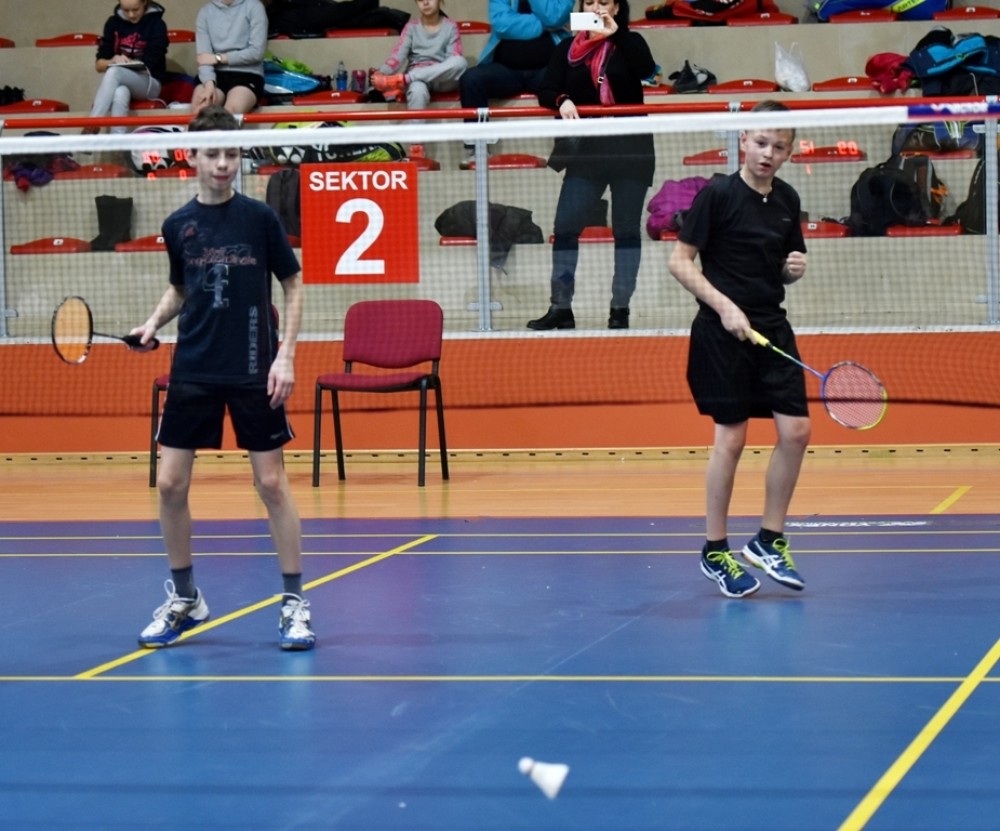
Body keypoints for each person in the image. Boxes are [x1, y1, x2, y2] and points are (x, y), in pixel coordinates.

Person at [131, 105, 314, 651]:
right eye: (213, 153)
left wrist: (286, 356)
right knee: (169, 484)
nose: (223, 164)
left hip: (255, 366)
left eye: (231, 154)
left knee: (271, 484)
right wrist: (152, 323)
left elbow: (294, 284)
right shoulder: (177, 225)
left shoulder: (259, 219)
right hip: (194, 366)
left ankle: (294, 603)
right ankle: (186, 599)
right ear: (193, 156)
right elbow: (181, 287)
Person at [667, 100, 810, 599]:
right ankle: (715, 550)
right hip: (721, 331)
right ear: (744, 140)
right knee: (731, 439)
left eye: (779, 147)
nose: (768, 153)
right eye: (761, 142)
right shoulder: (718, 195)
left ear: (789, 153)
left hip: (771, 328)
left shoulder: (788, 199)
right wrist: (725, 307)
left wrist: (791, 269)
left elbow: (780, 267)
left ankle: (769, 539)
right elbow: (680, 261)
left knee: (797, 432)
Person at [527, 0, 655, 331]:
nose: (596, 7)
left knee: (626, 231)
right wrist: (562, 100)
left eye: (604, 2)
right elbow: (547, 89)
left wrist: (616, 33)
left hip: (631, 151)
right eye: (590, 2)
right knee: (565, 226)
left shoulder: (630, 42)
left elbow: (646, 69)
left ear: (617, 8)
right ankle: (561, 307)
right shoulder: (567, 48)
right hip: (587, 153)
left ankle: (620, 309)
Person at [457, 0, 574, 169]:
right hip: (506, 70)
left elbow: (554, 17)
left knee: (568, 79)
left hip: (547, 69)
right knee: (471, 79)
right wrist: (544, 25)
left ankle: (566, 152)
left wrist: (550, 22)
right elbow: (502, 24)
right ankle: (477, 149)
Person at [85, 0, 169, 135]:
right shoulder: (113, 23)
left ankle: (92, 124)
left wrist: (126, 64)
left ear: (144, 4)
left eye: (135, 10)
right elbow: (99, 65)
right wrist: (112, 60)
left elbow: (150, 64)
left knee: (114, 71)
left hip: (150, 83)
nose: (131, 15)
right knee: (120, 92)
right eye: (126, 10)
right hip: (122, 80)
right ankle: (118, 142)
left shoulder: (157, 25)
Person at [372, 0, 467, 113]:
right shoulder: (411, 27)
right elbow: (398, 56)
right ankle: (415, 127)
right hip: (418, 79)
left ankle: (405, 79)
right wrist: (382, 73)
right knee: (417, 91)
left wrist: (410, 77)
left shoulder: (450, 26)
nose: (425, 3)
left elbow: (452, 60)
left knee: (460, 62)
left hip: (441, 79)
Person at [190, 0, 268, 116]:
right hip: (215, 74)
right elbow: (203, 58)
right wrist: (209, 84)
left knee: (230, 112)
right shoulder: (205, 12)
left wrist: (218, 58)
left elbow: (256, 53)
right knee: (200, 112)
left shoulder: (254, 6)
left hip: (247, 74)